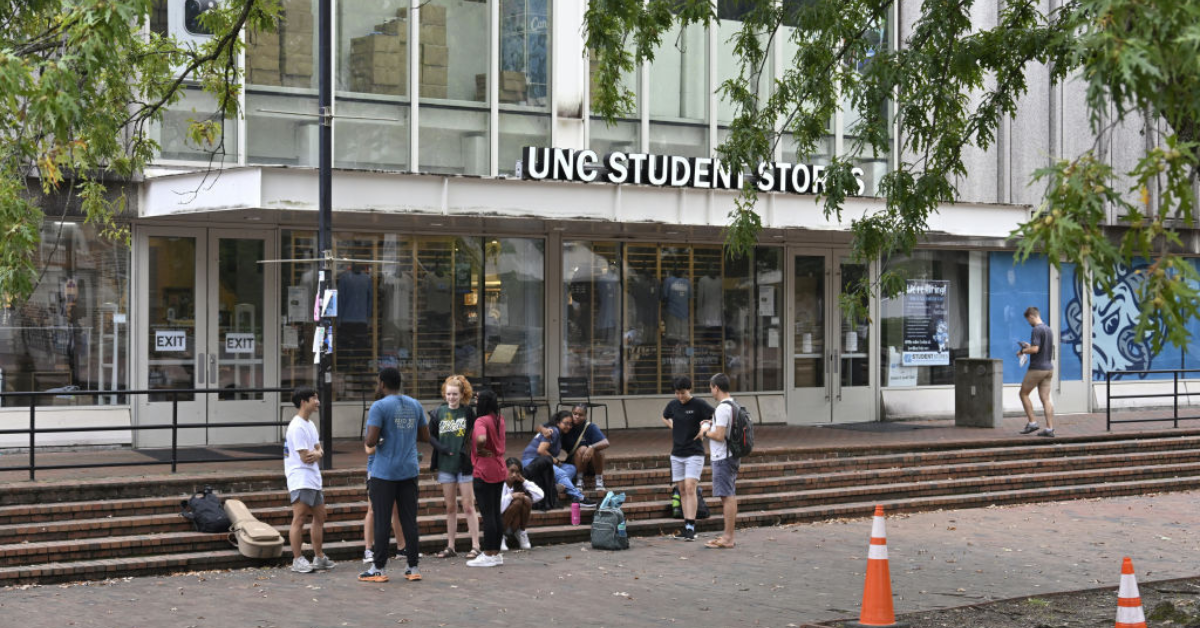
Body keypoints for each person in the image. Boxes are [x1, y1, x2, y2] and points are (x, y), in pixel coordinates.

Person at [359, 368, 429, 583]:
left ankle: (378, 568)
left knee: (382, 519)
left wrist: (379, 438)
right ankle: (413, 567)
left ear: (382, 384)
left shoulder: (379, 406)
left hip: (384, 472)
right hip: (409, 470)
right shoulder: (415, 404)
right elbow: (425, 436)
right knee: (410, 520)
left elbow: (370, 441)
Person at [428, 375, 481, 560]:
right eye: (449, 394)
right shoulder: (438, 413)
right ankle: (451, 545)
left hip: (464, 464)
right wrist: (442, 448)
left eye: (455, 394)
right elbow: (430, 435)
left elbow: (476, 431)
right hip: (445, 465)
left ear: (462, 394)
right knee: (450, 507)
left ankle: (476, 545)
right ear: (444, 394)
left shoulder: (467, 412)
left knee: (468, 505)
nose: (451, 397)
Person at [284, 387, 333, 573]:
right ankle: (297, 559)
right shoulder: (296, 427)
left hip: (313, 478)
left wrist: (317, 453)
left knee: (320, 516)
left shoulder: (310, 425)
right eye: (314, 398)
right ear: (304, 401)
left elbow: (318, 450)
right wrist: (316, 453)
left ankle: (319, 556)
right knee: (300, 518)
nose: (317, 401)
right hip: (300, 478)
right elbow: (306, 457)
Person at [661, 376, 713, 541]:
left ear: (689, 390)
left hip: (694, 452)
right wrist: (672, 425)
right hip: (677, 453)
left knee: (691, 487)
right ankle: (687, 525)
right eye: (677, 393)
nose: (680, 397)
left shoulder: (699, 404)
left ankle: (691, 526)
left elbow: (713, 417)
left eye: (683, 393)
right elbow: (664, 416)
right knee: (682, 490)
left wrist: (704, 429)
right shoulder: (673, 405)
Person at [468, 388, 506, 567]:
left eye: (477, 399)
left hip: (484, 469)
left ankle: (489, 553)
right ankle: (496, 553)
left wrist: (479, 447)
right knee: (496, 513)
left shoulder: (481, 420)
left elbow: (481, 438)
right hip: (499, 467)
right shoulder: (499, 419)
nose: (475, 402)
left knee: (487, 513)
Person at [523, 410, 593, 507]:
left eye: (570, 424)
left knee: (571, 468)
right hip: (532, 462)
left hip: (543, 462)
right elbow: (541, 450)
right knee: (561, 474)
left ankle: (554, 486)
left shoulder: (559, 433)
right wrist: (555, 460)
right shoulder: (554, 431)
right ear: (558, 423)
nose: (568, 426)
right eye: (566, 423)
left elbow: (539, 427)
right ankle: (579, 497)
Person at [702, 373, 738, 550]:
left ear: (716, 387)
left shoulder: (723, 408)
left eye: (711, 388)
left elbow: (719, 435)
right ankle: (727, 535)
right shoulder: (732, 404)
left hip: (723, 457)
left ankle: (728, 537)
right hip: (729, 456)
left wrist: (705, 431)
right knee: (728, 494)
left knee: (727, 496)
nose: (711, 391)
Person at [542, 404, 611, 491]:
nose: (577, 417)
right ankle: (579, 480)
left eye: (580, 415)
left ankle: (599, 480)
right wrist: (547, 432)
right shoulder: (567, 425)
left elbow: (606, 442)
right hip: (574, 462)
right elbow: (543, 427)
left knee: (599, 452)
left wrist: (592, 447)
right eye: (575, 414)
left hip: (590, 463)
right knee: (582, 449)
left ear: (585, 416)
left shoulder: (590, 427)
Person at [362, 440, 405, 565]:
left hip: (393, 472)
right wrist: (389, 444)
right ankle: (368, 550)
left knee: (396, 510)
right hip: (375, 472)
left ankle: (402, 549)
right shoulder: (374, 426)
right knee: (372, 509)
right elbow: (369, 450)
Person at [1017, 306, 1057, 437]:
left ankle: (1032, 422)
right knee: (1046, 399)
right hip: (1048, 368)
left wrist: (1023, 351)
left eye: (1028, 319)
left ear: (1032, 316)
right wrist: (1030, 346)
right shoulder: (1048, 329)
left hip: (1037, 368)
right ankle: (1049, 429)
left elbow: (1035, 350)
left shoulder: (1036, 329)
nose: (1028, 322)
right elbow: (1040, 347)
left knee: (1023, 394)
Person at [500, 457, 544, 551]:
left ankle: (522, 532)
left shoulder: (519, 484)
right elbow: (497, 508)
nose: (514, 475)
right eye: (511, 471)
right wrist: (511, 497)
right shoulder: (499, 484)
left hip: (515, 525)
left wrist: (524, 481)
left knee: (526, 499)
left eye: (517, 472)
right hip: (501, 523)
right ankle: (500, 536)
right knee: (517, 501)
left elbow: (540, 495)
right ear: (504, 469)